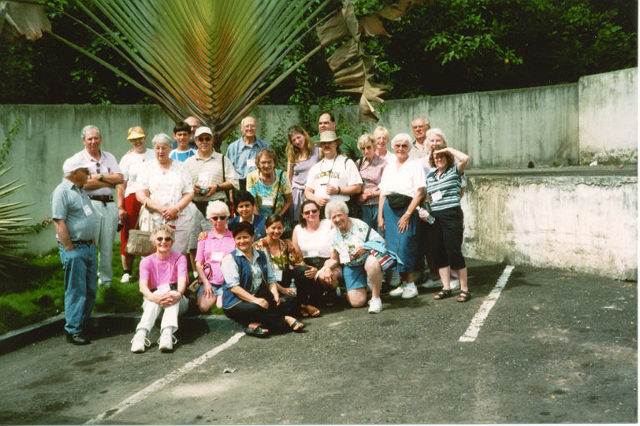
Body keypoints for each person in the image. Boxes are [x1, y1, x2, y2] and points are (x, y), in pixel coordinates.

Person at [221, 222, 305, 337]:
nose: (242, 241)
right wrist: (255, 300)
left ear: (252, 237)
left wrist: (275, 295)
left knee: (288, 300)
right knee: (258, 307)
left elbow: (271, 280)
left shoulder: (261, 255)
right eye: (238, 238)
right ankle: (285, 320)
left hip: (257, 296)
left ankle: (252, 325)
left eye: (245, 237)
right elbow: (234, 288)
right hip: (236, 302)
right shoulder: (230, 259)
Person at [68, 125, 123, 287]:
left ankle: (105, 281)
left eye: (96, 138)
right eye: (89, 139)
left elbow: (120, 179)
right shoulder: (78, 159)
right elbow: (83, 184)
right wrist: (107, 180)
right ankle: (87, 279)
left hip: (109, 205)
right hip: (89, 204)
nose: (93, 141)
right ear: (84, 141)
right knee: (89, 244)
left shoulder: (109, 157)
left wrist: (97, 177)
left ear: (101, 139)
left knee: (107, 246)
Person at [52, 156, 98, 345]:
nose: (88, 174)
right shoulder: (62, 191)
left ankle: (83, 323)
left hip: (88, 247)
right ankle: (73, 330)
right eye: (84, 171)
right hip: (75, 248)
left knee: (91, 289)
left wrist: (91, 239)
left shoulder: (80, 190)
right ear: (73, 173)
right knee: (76, 290)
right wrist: (69, 248)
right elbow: (59, 221)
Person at [378, 133, 425, 299]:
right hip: (390, 209)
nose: (400, 148)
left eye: (404, 145)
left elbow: (420, 192)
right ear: (393, 147)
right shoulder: (389, 166)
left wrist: (407, 214)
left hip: (408, 208)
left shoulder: (415, 165)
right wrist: (380, 216)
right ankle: (403, 283)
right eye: (397, 145)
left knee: (405, 245)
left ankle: (411, 284)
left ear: (409, 148)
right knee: (392, 247)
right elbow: (383, 193)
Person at [130, 225, 189, 353]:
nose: (163, 241)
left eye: (167, 239)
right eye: (159, 239)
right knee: (162, 292)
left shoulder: (180, 258)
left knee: (170, 292)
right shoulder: (146, 261)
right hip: (153, 302)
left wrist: (178, 293)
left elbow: (182, 282)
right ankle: (141, 335)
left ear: (172, 242)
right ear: (153, 241)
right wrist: (155, 298)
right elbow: (143, 287)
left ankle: (166, 334)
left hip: (178, 301)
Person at [425, 146, 472, 302]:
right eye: (436, 157)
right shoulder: (430, 176)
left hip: (451, 214)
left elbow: (465, 158)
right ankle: (446, 287)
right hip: (435, 216)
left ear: (448, 157)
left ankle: (464, 289)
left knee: (454, 251)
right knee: (439, 252)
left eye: (442, 156)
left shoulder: (454, 170)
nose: (438, 159)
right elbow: (428, 197)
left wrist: (448, 148)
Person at [320, 201, 385, 313]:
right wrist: (326, 268)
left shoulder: (359, 225)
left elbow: (380, 241)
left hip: (368, 259)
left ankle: (375, 298)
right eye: (333, 217)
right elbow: (334, 259)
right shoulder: (333, 234)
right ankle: (363, 288)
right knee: (357, 302)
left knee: (372, 263)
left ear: (346, 214)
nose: (337, 219)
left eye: (339, 215)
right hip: (351, 266)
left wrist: (365, 248)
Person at [135, 133, 195, 255]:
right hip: (153, 217)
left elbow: (189, 192)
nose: (160, 151)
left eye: (164, 148)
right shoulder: (147, 168)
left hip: (178, 217)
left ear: (170, 148)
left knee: (177, 253)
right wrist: (161, 209)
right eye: (157, 148)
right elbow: (140, 194)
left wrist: (175, 209)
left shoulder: (181, 167)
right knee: (153, 254)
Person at [254, 214, 321, 318]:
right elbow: (260, 273)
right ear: (266, 229)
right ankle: (301, 306)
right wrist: (281, 289)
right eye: (273, 228)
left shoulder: (286, 244)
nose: (276, 231)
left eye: (279, 228)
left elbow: (298, 263)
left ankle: (303, 302)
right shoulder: (258, 246)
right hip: (268, 283)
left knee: (304, 271)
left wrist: (313, 269)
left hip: (284, 278)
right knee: (282, 303)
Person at [117, 126, 155, 284]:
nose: (137, 141)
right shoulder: (126, 159)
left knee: (152, 231)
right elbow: (121, 184)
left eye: (139, 138)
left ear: (145, 137)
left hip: (151, 196)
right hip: (132, 197)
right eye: (133, 139)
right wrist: (120, 206)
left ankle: (152, 269)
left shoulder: (154, 153)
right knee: (128, 232)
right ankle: (127, 271)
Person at [291, 200, 340, 303]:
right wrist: (310, 268)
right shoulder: (298, 229)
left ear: (319, 211)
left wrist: (326, 268)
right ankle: (315, 295)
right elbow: (297, 255)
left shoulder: (328, 224)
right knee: (306, 274)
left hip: (329, 262)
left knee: (327, 276)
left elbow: (336, 249)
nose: (311, 214)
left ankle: (331, 291)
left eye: (314, 211)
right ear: (302, 215)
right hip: (308, 265)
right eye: (307, 212)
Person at [184, 126, 238, 216]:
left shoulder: (223, 159)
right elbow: (182, 185)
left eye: (207, 139)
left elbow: (234, 182)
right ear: (196, 141)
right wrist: (192, 188)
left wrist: (218, 187)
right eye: (201, 139)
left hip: (218, 205)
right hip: (195, 205)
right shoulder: (188, 162)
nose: (204, 142)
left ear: (212, 140)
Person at [194, 201, 236, 312]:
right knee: (203, 307)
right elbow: (198, 263)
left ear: (227, 218)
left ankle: (221, 294)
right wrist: (206, 283)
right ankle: (216, 294)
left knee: (221, 306)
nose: (219, 221)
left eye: (222, 217)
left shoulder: (234, 237)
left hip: (228, 282)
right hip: (210, 280)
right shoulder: (204, 238)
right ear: (210, 219)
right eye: (215, 218)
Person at [304, 130, 362, 209]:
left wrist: (338, 190)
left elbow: (358, 188)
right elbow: (307, 191)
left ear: (336, 144)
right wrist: (316, 199)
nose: (326, 145)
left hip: (341, 208)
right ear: (321, 146)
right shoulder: (315, 167)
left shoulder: (347, 162)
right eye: (324, 143)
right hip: (320, 209)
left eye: (330, 142)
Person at [286, 125, 320, 224]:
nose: (297, 141)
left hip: (312, 191)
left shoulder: (317, 151)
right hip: (297, 192)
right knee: (299, 222)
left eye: (298, 137)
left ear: (304, 135)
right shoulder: (292, 155)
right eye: (293, 140)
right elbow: (289, 176)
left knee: (313, 219)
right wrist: (288, 195)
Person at [246, 148, 292, 219]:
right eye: (263, 162)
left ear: (274, 163)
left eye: (269, 162)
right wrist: (259, 220)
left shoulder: (282, 175)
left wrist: (278, 217)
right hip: (258, 217)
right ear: (258, 164)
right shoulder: (251, 177)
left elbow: (288, 201)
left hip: (279, 217)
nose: (267, 165)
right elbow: (252, 202)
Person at [225, 116, 268, 190]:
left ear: (256, 128)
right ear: (241, 128)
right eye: (247, 126)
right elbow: (227, 171)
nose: (250, 129)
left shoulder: (264, 147)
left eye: (252, 126)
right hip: (239, 187)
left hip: (260, 186)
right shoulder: (233, 148)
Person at [355, 133, 385, 229]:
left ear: (374, 147)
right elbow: (355, 183)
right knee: (366, 233)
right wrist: (360, 196)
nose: (366, 151)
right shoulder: (359, 163)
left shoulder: (383, 164)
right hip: (363, 205)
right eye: (363, 148)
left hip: (378, 204)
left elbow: (387, 188)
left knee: (380, 233)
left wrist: (370, 194)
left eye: (368, 147)